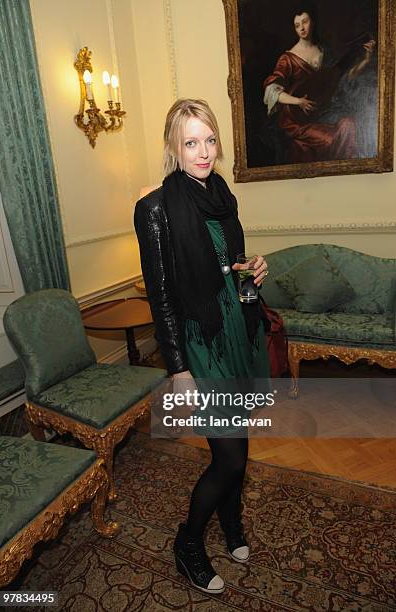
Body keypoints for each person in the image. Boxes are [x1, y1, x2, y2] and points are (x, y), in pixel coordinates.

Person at [134, 98, 270, 595]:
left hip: (236, 330)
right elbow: (161, 295)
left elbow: (228, 263)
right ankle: (188, 544)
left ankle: (231, 523)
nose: (204, 151)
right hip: (199, 343)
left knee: (241, 442)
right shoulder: (153, 208)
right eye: (191, 142)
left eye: (209, 139)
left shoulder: (221, 194)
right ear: (174, 147)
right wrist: (179, 370)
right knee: (229, 457)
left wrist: (252, 268)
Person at [263, 4, 376, 163]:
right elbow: (271, 90)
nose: (302, 28)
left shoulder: (325, 51)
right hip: (297, 120)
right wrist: (298, 101)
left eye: (305, 22)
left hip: (322, 112)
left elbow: (342, 77)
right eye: (297, 25)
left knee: (349, 124)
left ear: (313, 22)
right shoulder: (288, 58)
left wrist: (366, 59)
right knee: (331, 140)